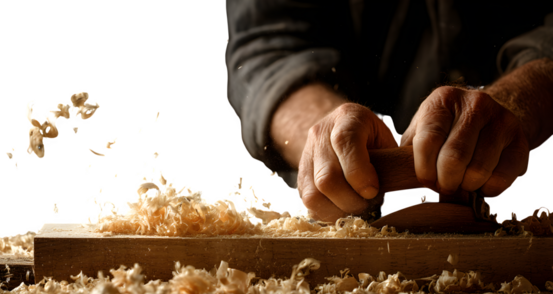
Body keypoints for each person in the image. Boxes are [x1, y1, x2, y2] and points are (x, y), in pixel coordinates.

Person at [225, 0, 553, 222]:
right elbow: (267, 46)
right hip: (346, 215)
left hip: (530, 203)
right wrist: (331, 135)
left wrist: (515, 101)